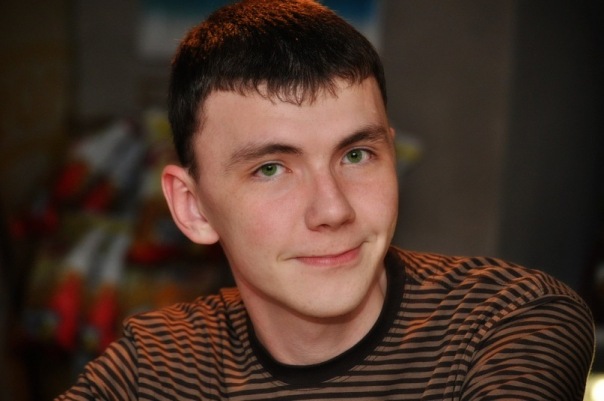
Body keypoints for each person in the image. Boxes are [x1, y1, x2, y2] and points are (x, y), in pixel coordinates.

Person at [57, 0, 595, 399]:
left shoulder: (510, 319)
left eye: (356, 155)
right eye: (271, 168)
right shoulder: (158, 366)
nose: (333, 210)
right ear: (193, 208)